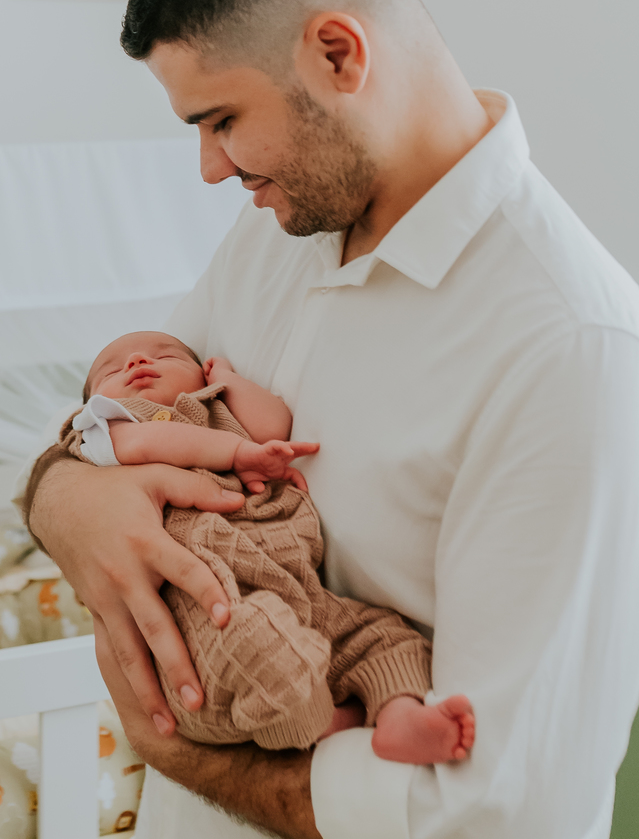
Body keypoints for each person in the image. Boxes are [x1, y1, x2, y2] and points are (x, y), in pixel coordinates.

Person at [21, 0, 639, 839]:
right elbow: (126, 412)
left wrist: (191, 758)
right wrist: (63, 497)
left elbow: (498, 820)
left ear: (337, 51)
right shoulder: (280, 241)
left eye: (221, 120)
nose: (212, 168)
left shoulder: (569, 348)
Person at [32, 327, 474, 763]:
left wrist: (228, 379)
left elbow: (273, 423)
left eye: (165, 355)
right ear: (93, 401)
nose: (138, 362)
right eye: (112, 368)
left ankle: (400, 715)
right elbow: (155, 442)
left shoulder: (217, 409)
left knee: (384, 634)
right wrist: (238, 455)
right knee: (258, 642)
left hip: (298, 587)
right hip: (207, 606)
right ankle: (320, 727)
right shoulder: (105, 430)